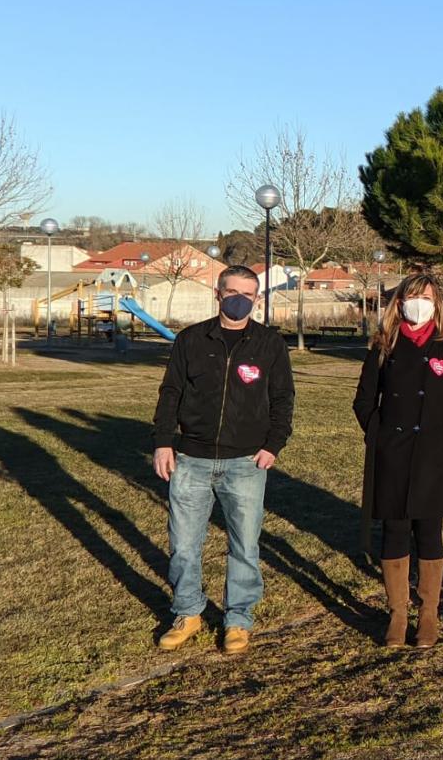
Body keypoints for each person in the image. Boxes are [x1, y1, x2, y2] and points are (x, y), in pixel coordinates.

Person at [151, 265, 294, 655]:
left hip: (246, 462)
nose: (240, 300)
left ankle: (238, 619)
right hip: (191, 459)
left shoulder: (269, 344)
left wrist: (273, 444)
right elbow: (170, 393)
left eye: (249, 295)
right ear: (218, 293)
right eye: (233, 292)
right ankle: (188, 612)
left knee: (244, 546)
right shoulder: (191, 340)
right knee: (183, 545)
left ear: (257, 299)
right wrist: (164, 443)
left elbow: (283, 399)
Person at [352, 274, 443, 648]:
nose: (417, 303)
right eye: (411, 296)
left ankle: (428, 614)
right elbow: (363, 400)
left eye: (425, 297)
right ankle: (397, 614)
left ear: (437, 302)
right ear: (398, 302)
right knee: (393, 531)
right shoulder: (383, 343)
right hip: (391, 453)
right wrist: (378, 435)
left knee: (429, 532)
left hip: (432, 454)